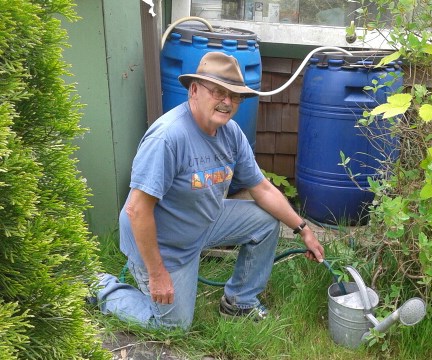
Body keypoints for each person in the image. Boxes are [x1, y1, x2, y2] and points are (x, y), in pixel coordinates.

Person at [93, 52, 325, 331]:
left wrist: (303, 229)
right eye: (218, 92)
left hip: (202, 221)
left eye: (234, 95)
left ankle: (240, 302)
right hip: (163, 242)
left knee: (264, 222)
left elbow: (262, 188)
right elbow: (137, 210)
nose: (226, 102)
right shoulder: (168, 137)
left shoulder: (232, 134)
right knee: (172, 326)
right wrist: (157, 274)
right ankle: (99, 285)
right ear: (194, 90)